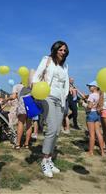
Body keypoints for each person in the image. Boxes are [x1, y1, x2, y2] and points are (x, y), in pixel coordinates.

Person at [32, 40, 69, 178]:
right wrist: (37, 91)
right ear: (55, 50)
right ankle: (44, 159)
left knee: (57, 131)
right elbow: (36, 76)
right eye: (60, 50)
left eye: (65, 50)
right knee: (52, 128)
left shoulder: (65, 66)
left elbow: (65, 84)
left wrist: (65, 98)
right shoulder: (47, 60)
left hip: (60, 99)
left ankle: (49, 159)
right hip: (47, 96)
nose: (63, 52)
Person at [81, 81, 105, 157]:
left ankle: (91, 152)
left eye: (90, 86)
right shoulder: (99, 95)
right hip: (97, 115)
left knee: (91, 135)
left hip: (91, 114)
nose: (89, 87)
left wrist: (83, 104)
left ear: (95, 87)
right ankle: (102, 152)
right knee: (98, 133)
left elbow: (89, 107)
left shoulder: (92, 95)